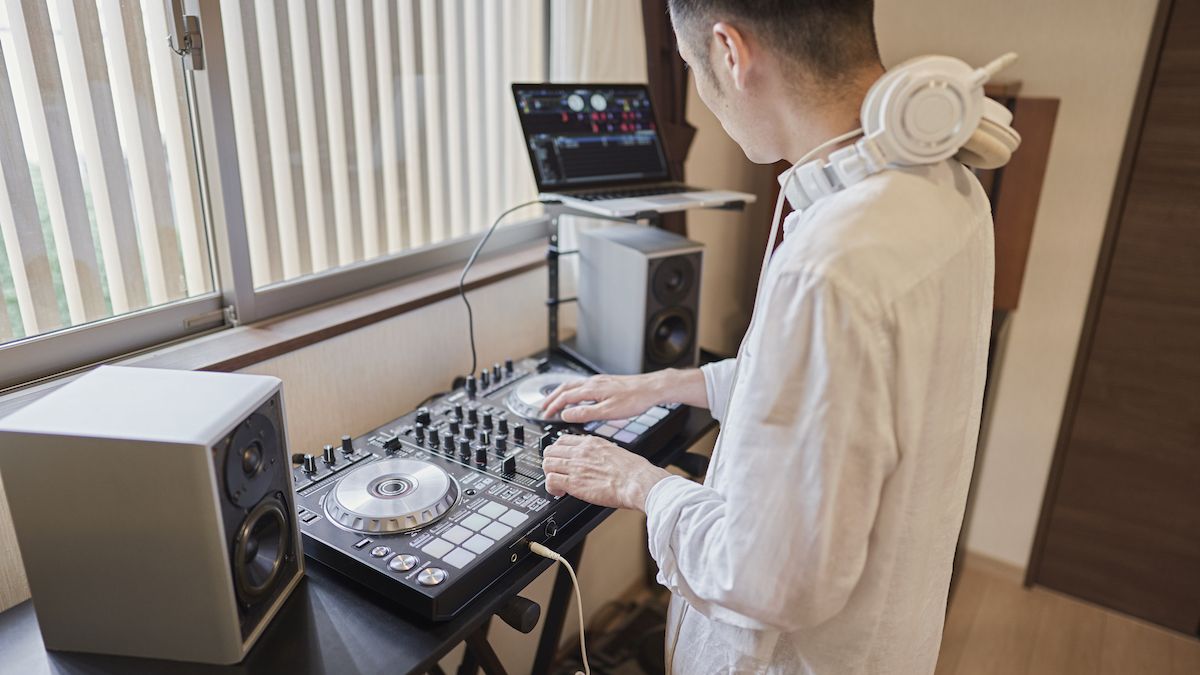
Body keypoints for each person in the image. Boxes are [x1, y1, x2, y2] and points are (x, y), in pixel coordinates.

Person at [540, 1, 996, 673]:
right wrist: (667, 384)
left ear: (729, 50)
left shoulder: (830, 270)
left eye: (692, 65)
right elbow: (830, 398)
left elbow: (767, 576)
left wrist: (638, 482)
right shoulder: (949, 186)